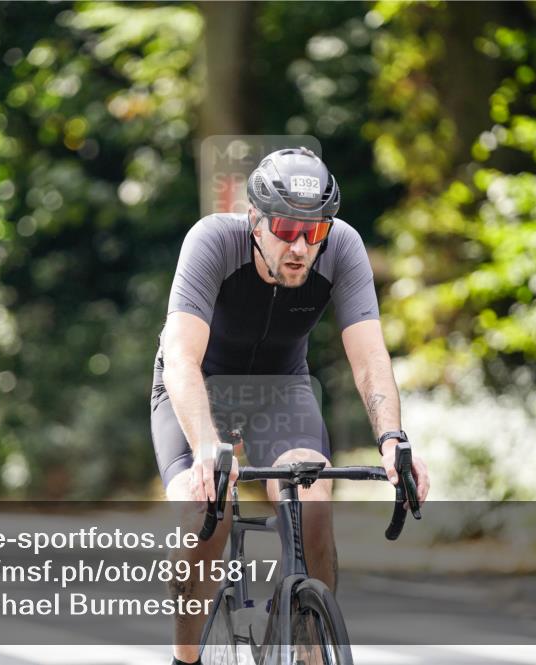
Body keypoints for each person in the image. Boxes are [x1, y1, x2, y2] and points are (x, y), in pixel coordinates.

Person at [151, 147, 430, 665]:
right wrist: (208, 448)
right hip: (199, 385)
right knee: (208, 515)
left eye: (314, 231)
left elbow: (369, 356)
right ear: (255, 219)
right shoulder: (211, 240)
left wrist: (393, 439)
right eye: (285, 228)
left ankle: (306, 643)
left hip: (281, 389)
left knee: (314, 508)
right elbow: (182, 359)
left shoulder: (343, 248)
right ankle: (183, 658)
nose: (300, 246)